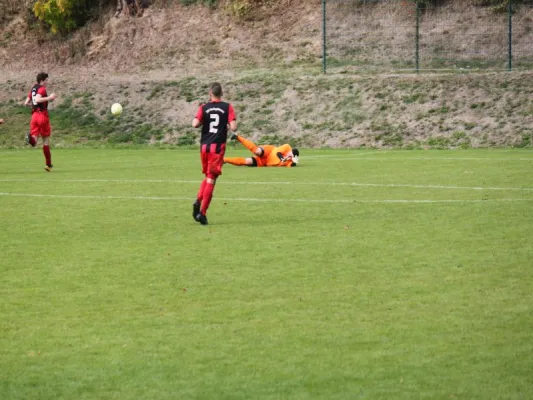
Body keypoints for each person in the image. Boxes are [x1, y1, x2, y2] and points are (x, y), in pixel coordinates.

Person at [191, 82, 237, 225]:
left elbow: (195, 124)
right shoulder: (227, 107)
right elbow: (234, 127)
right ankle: (202, 213)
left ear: (210, 93)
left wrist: (202, 121)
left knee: (208, 177)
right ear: (221, 93)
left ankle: (198, 200)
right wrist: (229, 125)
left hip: (204, 147)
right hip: (217, 148)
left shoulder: (204, 107)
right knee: (212, 179)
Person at [24, 72, 56, 172]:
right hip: (42, 115)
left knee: (35, 141)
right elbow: (37, 99)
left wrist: (34, 107)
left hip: (34, 116)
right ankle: (48, 165)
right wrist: (50, 98)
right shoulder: (42, 89)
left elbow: (26, 103)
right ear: (42, 80)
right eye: (46, 80)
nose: (47, 82)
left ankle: (31, 139)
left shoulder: (33, 88)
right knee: (45, 141)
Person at [224, 134, 299, 167]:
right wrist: (282, 159)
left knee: (247, 162)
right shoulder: (287, 147)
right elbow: (278, 153)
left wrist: (294, 163)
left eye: (292, 156)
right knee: (257, 151)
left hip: (265, 162)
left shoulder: (290, 160)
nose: (290, 156)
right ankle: (237, 137)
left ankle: (224, 160)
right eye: (291, 154)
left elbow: (290, 165)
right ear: (291, 151)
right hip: (269, 151)